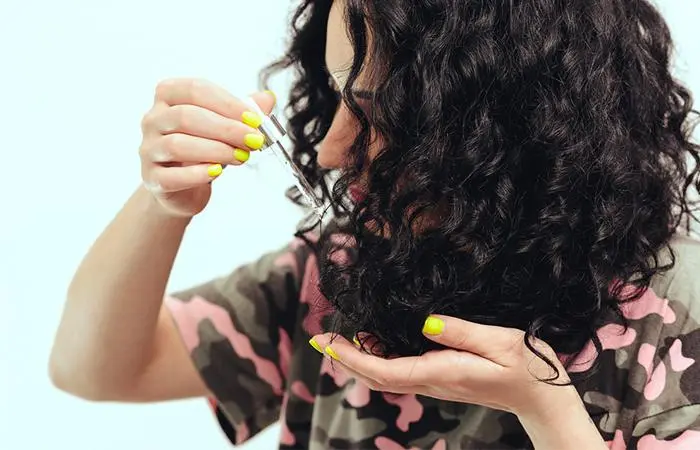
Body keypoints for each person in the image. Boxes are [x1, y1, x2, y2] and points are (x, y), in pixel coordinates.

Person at [49, 0, 700, 448]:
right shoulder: (342, 272)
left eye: (382, 111)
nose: (331, 150)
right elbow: (95, 370)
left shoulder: (679, 313)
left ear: (507, 132)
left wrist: (544, 407)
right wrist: (161, 206)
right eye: (337, 95)